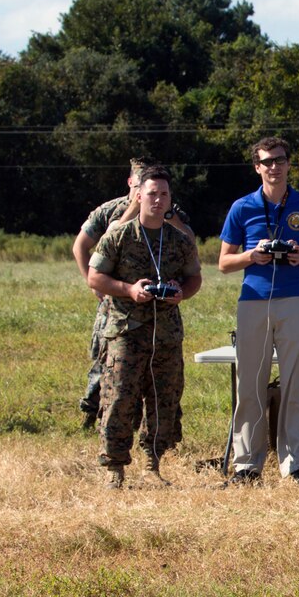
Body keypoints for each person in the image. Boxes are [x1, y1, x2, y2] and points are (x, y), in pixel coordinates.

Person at [219, 137, 299, 485]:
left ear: (288, 164)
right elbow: (224, 263)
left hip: (295, 299)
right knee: (250, 383)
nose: (274, 167)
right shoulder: (242, 207)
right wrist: (252, 256)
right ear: (257, 167)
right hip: (253, 299)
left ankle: (295, 463)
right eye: (267, 161)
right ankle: (247, 465)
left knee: (293, 383)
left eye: (280, 160)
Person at [88, 166, 202, 489]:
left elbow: (195, 277)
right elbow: (94, 277)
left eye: (164, 194)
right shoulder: (119, 236)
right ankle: (115, 467)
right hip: (127, 330)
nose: (157, 200)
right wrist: (129, 290)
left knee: (164, 400)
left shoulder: (180, 240)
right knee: (120, 398)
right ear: (138, 195)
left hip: (165, 333)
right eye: (151, 193)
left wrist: (181, 293)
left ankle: (153, 463)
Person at [72, 158, 194, 430]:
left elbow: (190, 247)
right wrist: (93, 284)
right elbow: (82, 246)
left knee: (165, 376)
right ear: (132, 184)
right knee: (107, 362)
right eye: (145, 188)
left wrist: (167, 214)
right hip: (117, 305)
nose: (155, 197)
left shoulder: (171, 212)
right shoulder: (110, 211)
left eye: (161, 192)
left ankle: (162, 434)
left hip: (159, 312)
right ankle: (93, 413)